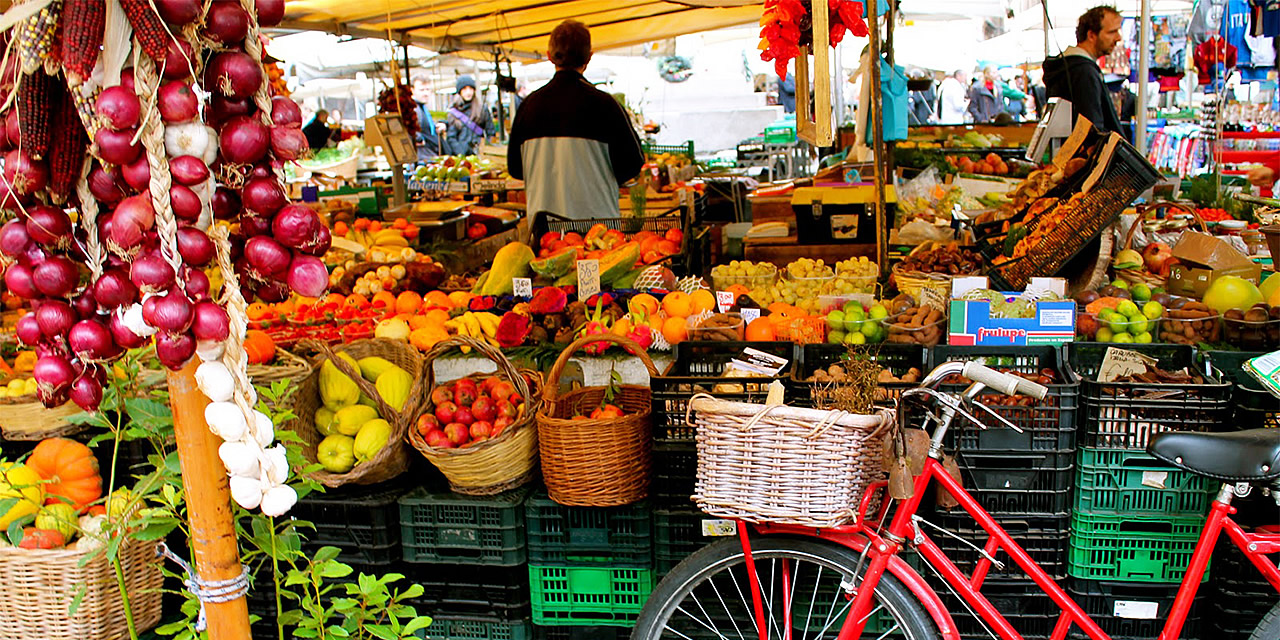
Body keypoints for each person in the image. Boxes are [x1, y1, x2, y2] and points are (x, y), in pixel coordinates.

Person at [507, 20, 644, 221]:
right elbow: (632, 165)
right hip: (598, 233)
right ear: (589, 57)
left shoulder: (528, 107)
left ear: (549, 56)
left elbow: (516, 169)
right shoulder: (606, 105)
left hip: (545, 234)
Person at [1043, 6, 1124, 134]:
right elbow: (1091, 130)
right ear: (1091, 35)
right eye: (1112, 32)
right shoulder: (1084, 72)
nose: (1118, 38)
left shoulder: (1068, 67)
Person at [442, 75, 493, 156]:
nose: (468, 92)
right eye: (464, 89)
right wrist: (461, 152)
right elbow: (451, 138)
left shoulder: (482, 109)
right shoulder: (454, 112)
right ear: (460, 91)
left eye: (470, 89)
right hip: (459, 155)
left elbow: (490, 132)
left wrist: (487, 150)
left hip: (479, 153)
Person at [411, 75, 439, 160]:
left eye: (427, 89)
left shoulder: (423, 108)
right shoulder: (414, 109)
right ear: (412, 90)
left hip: (429, 155)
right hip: (423, 158)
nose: (425, 93)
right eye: (422, 90)